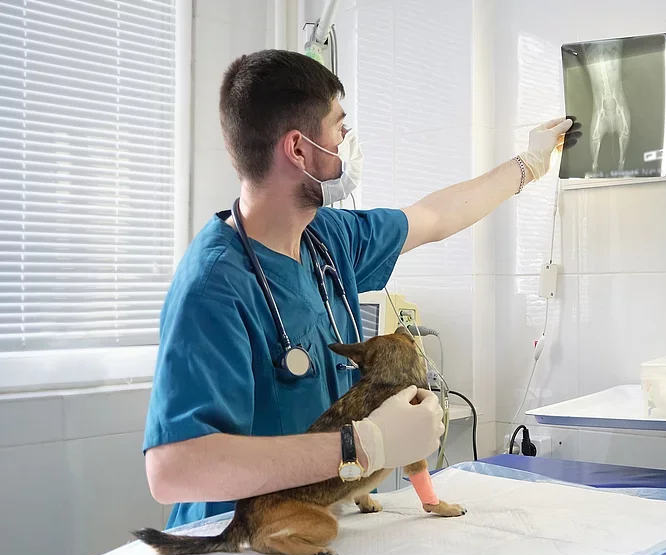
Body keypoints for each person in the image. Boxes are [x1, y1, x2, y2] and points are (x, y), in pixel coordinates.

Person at [142, 49, 575, 529]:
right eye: (339, 127)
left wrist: (530, 164)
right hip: (234, 543)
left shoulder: (328, 238)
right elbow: (173, 471)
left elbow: (434, 217)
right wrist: (360, 445)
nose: (347, 141)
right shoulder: (213, 288)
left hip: (315, 529)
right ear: (299, 149)